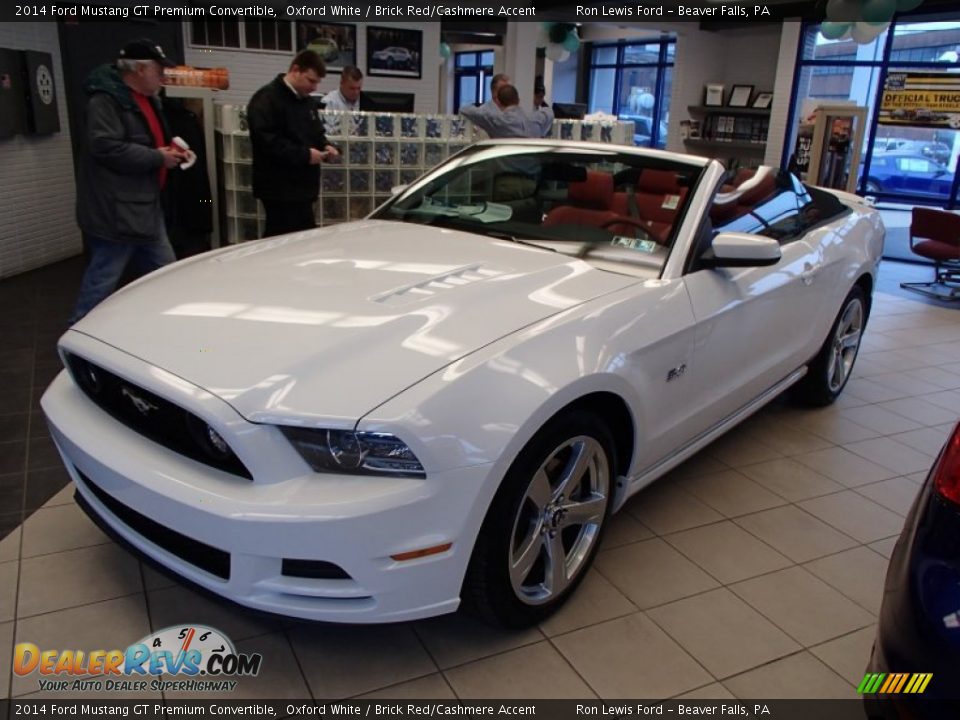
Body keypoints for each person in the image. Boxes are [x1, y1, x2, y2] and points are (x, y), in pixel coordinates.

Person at [70, 39, 190, 324]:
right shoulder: (106, 101)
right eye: (159, 70)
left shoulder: (147, 99)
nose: (163, 76)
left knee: (167, 273)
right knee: (103, 279)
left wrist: (170, 149)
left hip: (144, 206)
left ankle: (174, 326)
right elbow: (106, 147)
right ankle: (79, 334)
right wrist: (156, 157)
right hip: (117, 213)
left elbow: (146, 141)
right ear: (138, 69)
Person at [247, 50, 340, 237]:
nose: (314, 87)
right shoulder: (266, 99)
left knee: (304, 240)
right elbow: (268, 143)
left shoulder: (305, 102)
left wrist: (326, 146)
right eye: (311, 80)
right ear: (295, 70)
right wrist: (305, 155)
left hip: (303, 189)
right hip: (279, 189)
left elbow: (316, 132)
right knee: (282, 239)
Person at [460, 83, 554, 139]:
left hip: (503, 172)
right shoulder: (536, 120)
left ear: (499, 103)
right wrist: (543, 103)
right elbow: (549, 112)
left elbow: (465, 109)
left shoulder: (496, 121)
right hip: (533, 171)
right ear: (518, 100)